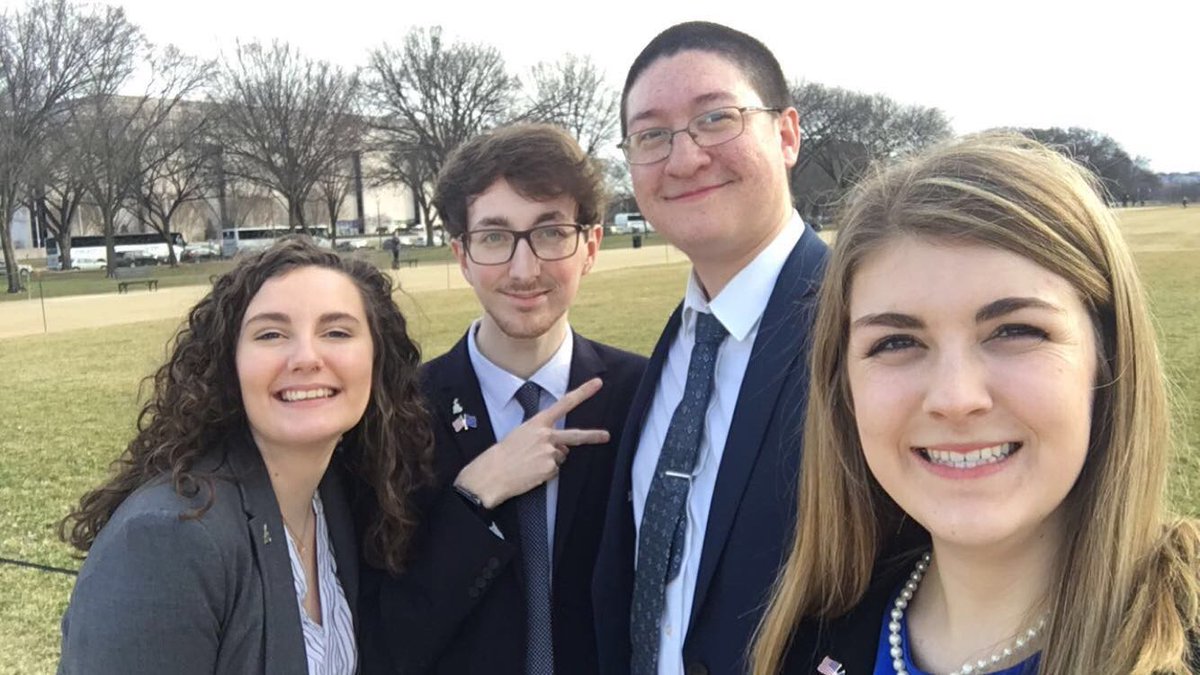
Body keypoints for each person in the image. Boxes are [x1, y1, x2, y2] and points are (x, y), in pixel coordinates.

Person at [751, 133, 1200, 675]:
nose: (956, 398)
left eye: (1015, 330)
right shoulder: (806, 642)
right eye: (896, 342)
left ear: (1107, 354)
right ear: (842, 386)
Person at [57, 237, 433, 674]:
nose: (306, 358)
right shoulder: (169, 540)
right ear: (228, 364)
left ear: (376, 358)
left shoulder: (334, 499)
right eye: (271, 334)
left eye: (336, 332)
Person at [359, 123, 647, 674]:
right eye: (494, 236)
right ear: (462, 255)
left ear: (590, 246)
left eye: (550, 232)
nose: (524, 269)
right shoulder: (398, 413)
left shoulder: (644, 396)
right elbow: (384, 637)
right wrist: (473, 496)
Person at [591, 21, 830, 675]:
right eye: (651, 136)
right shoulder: (676, 347)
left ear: (786, 135)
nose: (685, 157)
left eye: (715, 118)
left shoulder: (862, 333)